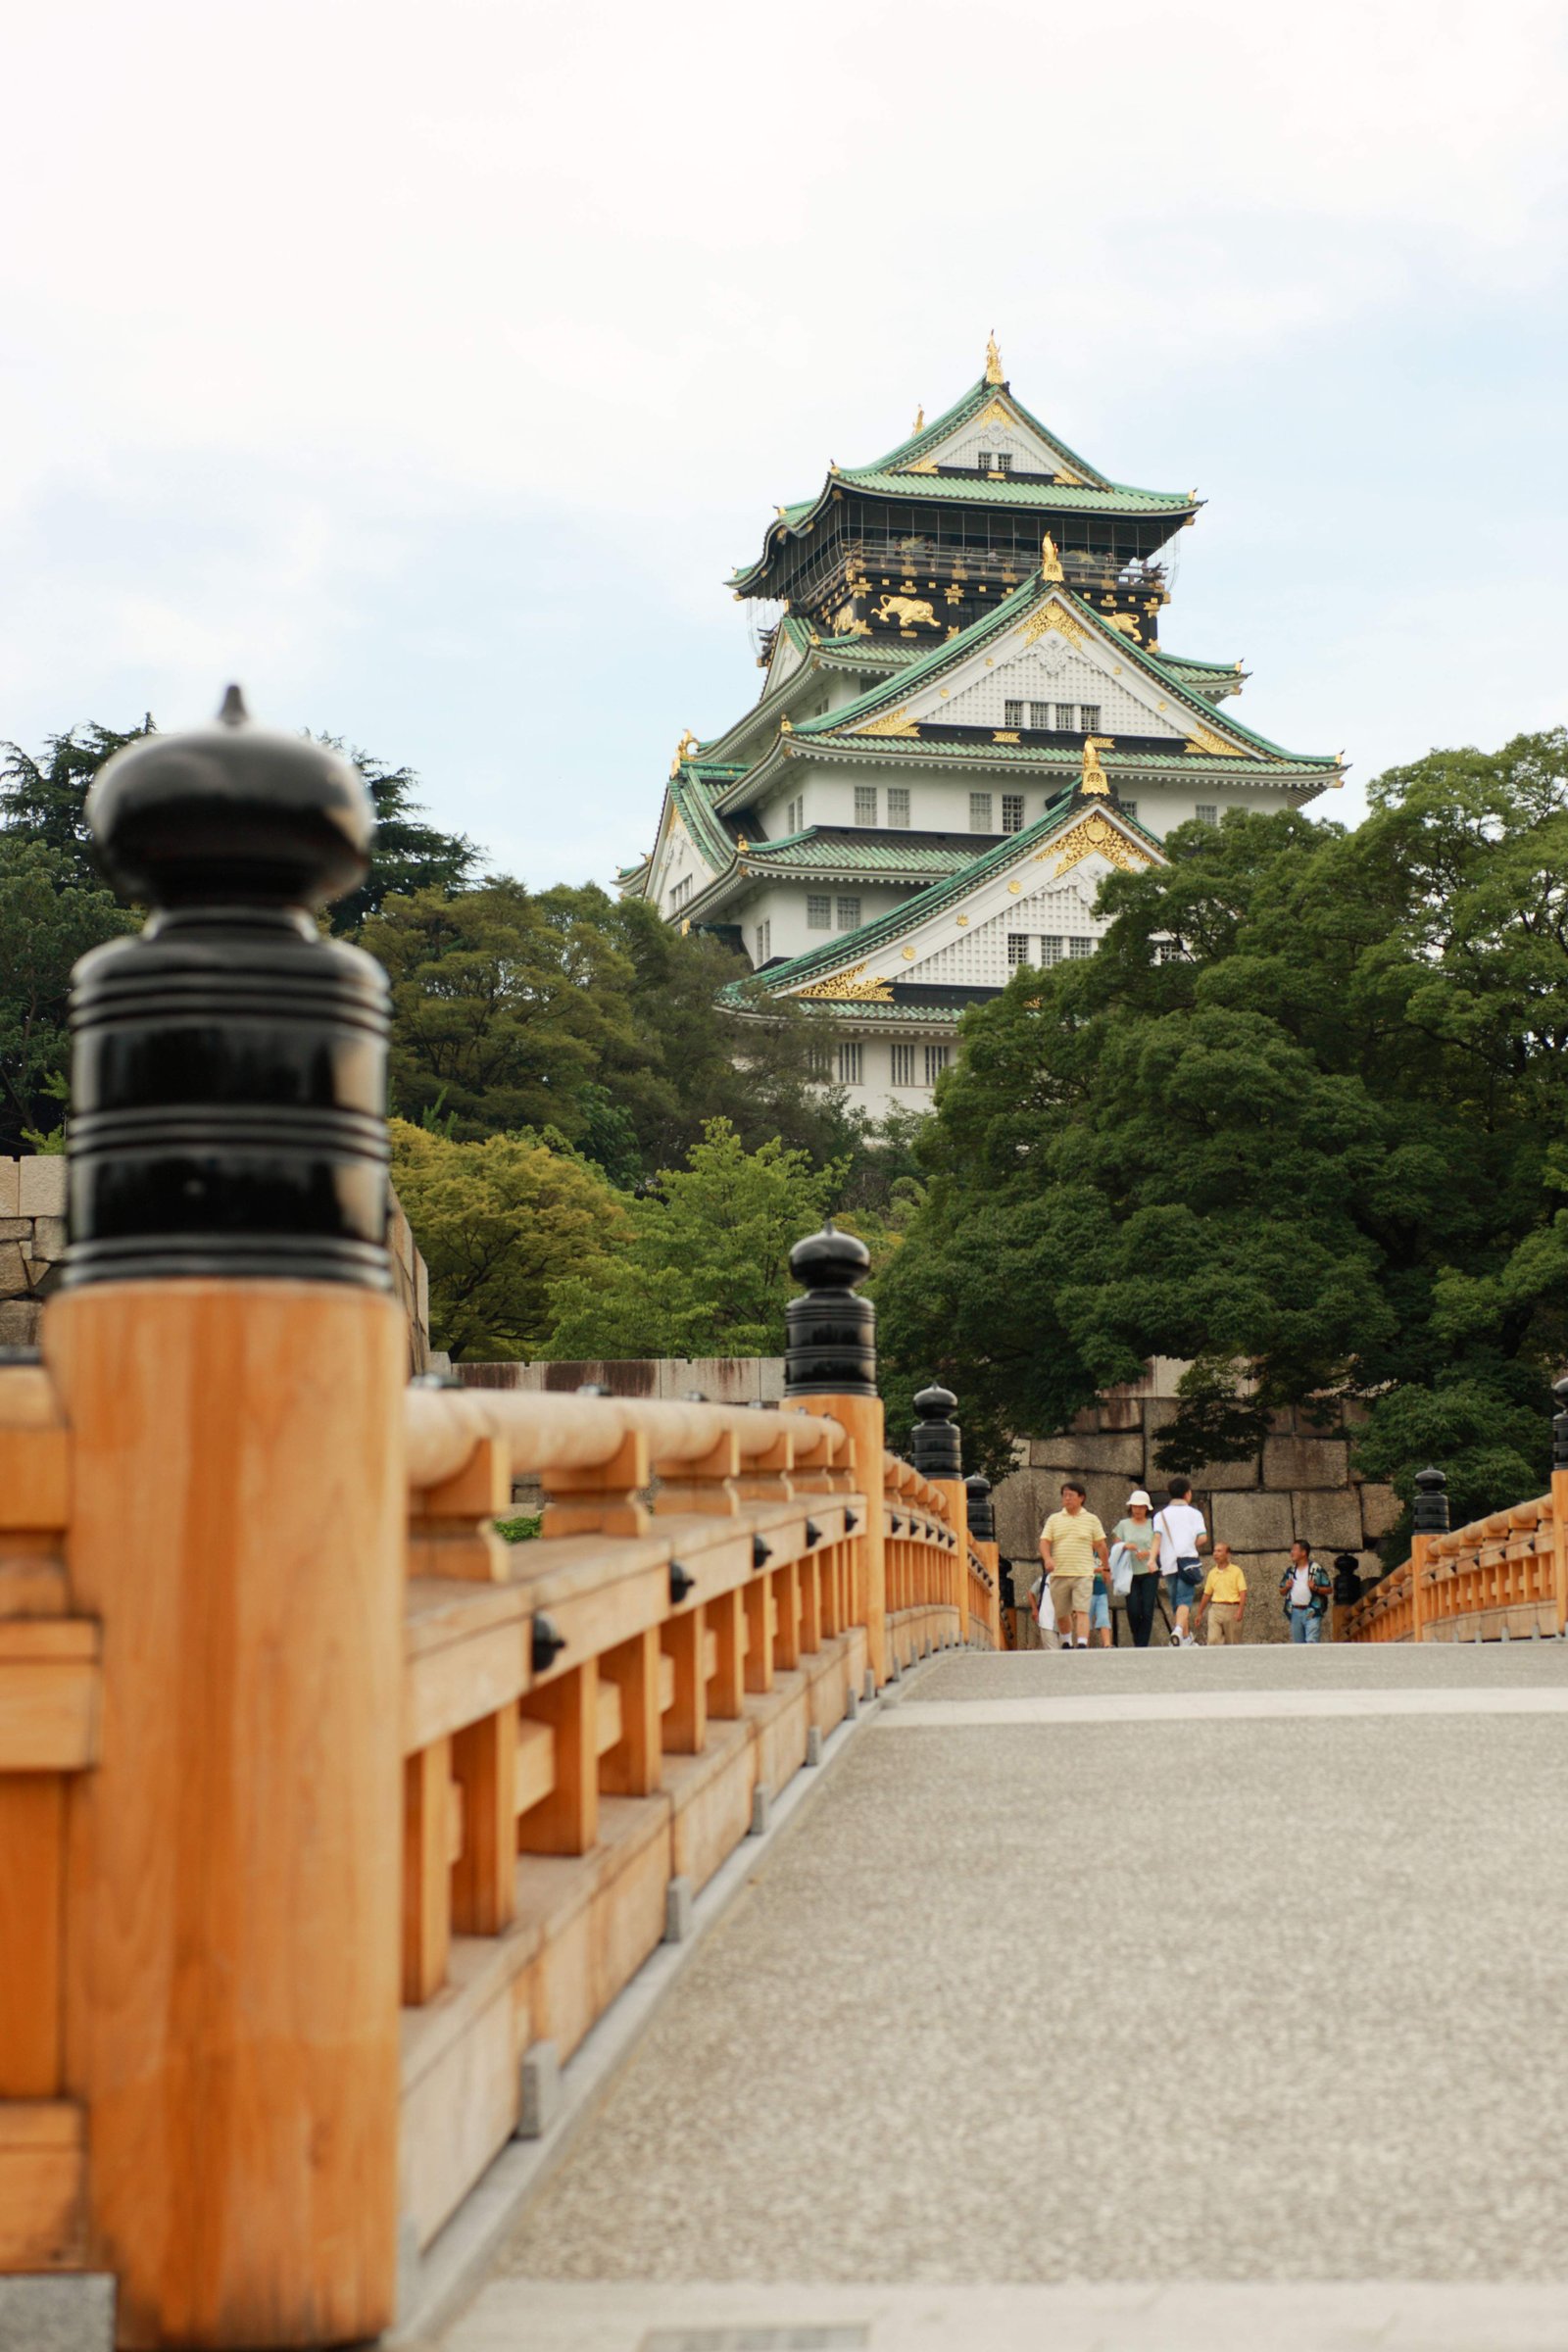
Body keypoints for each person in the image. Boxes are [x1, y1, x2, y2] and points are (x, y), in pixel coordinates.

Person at [1040, 1480, 1108, 1651]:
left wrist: (1106, 1568)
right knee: (1062, 1613)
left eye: (1071, 1495)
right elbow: (1044, 1541)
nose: (1067, 1498)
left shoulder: (1091, 1519)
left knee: (1082, 1610)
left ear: (1081, 1498)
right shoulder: (1054, 1519)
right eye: (1064, 1495)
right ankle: (1066, 1640)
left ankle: (1083, 1643)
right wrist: (1047, 1558)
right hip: (1059, 1572)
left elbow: (1101, 1546)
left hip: (1083, 1573)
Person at [1153, 1477, 1207, 1646]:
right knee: (1185, 1599)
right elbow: (1202, 1538)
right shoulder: (1195, 1514)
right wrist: (1189, 1543)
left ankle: (1185, 1639)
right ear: (1187, 1494)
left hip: (1169, 1563)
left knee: (1176, 1601)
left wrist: (1150, 1559)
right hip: (1187, 1561)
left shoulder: (1160, 1515)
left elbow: (1156, 1538)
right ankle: (1177, 1630)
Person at [1110, 1489, 1162, 1648]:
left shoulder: (1153, 1524)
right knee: (1133, 1610)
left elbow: (1160, 1544)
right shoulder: (1123, 1525)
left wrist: (1148, 1553)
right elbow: (1116, 1546)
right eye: (1135, 1506)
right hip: (1129, 1573)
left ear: (1147, 1508)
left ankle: (1141, 1645)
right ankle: (1138, 1639)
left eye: (1141, 1506)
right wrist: (1126, 1546)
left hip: (1149, 1572)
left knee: (1147, 1610)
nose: (1137, 1509)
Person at [1195, 1543, 1247, 1644]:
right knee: (1213, 1640)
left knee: (1233, 1642)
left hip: (1232, 1609)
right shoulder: (1212, 1573)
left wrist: (1240, 1610)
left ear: (1227, 1554)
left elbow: (1243, 1592)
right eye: (1214, 1551)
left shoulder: (1237, 1571)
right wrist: (1200, 1613)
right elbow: (1207, 1594)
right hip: (1216, 1609)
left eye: (1219, 1551)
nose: (1215, 1554)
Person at [1280, 1540, 1331, 1642]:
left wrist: (1315, 1588)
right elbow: (1281, 1591)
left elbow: (1329, 1589)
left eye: (1294, 1549)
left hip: (1312, 1611)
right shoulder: (1290, 1571)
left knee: (1311, 1642)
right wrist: (1286, 1587)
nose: (1291, 1552)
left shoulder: (1316, 1569)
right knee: (1298, 1645)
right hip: (1295, 1612)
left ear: (1303, 1553)